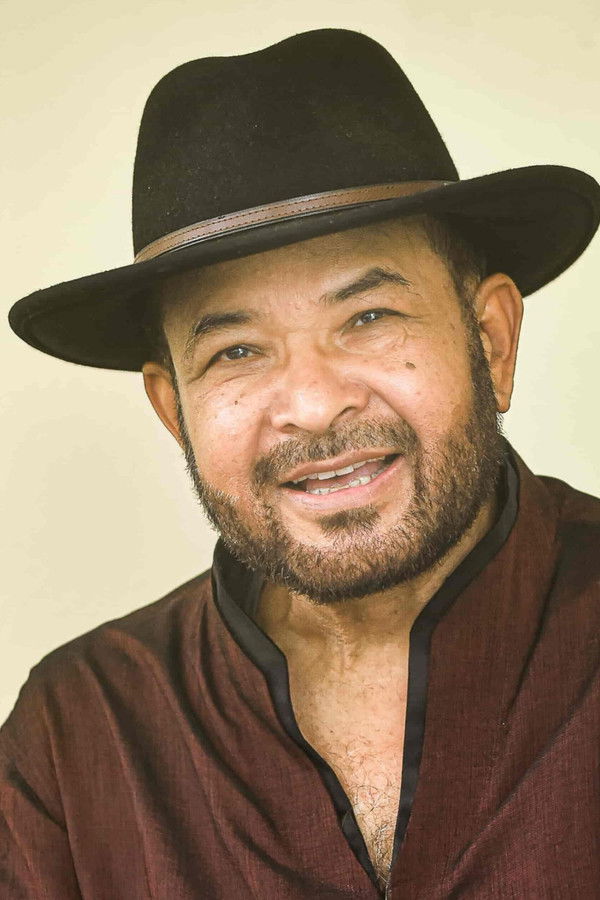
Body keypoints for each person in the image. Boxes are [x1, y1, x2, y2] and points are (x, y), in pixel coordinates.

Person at [2, 27, 600, 900]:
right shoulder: (77, 736)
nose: (314, 405)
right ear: (174, 412)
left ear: (491, 340)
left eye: (369, 318)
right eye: (236, 352)